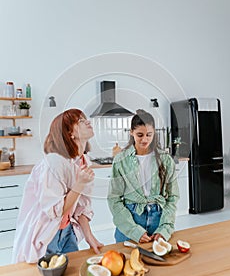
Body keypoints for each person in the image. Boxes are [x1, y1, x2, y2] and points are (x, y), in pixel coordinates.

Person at [12, 109, 103, 264]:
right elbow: (55, 211)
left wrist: (89, 237)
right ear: (69, 134)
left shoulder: (83, 161)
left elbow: (82, 207)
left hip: (67, 232)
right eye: (80, 121)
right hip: (46, 234)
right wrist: (79, 184)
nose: (87, 121)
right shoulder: (54, 162)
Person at [107, 109, 179, 244]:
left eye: (149, 134)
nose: (145, 139)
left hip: (159, 219)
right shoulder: (120, 160)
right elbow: (114, 199)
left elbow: (173, 196)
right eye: (140, 135)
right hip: (130, 219)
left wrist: (165, 228)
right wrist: (133, 230)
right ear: (131, 132)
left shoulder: (165, 159)